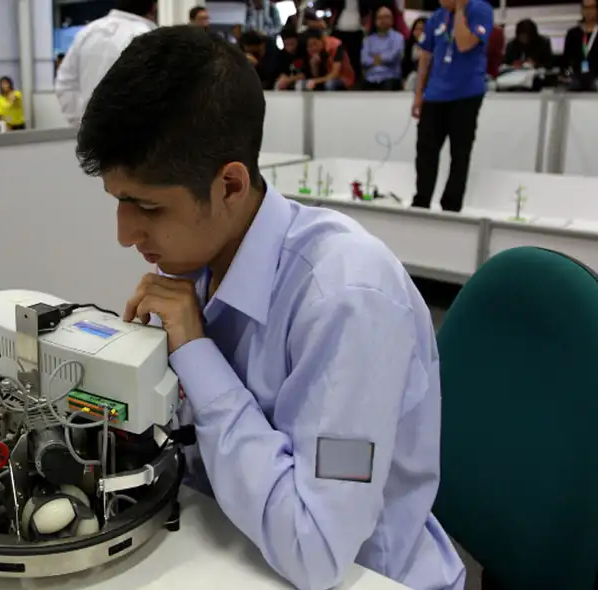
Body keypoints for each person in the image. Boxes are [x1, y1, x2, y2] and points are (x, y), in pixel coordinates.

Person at [76, 24, 465, 590]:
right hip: (238, 549)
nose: (124, 233)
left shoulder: (347, 303)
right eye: (118, 202)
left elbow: (316, 550)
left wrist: (196, 353)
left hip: (368, 577)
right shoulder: (203, 260)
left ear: (231, 185)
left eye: (147, 207)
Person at [412, 0, 493, 213]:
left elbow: (464, 43)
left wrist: (459, 11)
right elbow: (425, 56)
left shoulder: (480, 10)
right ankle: (421, 200)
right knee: (426, 150)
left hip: (466, 93)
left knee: (460, 152)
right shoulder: (435, 17)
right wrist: (419, 94)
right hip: (436, 94)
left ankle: (451, 204)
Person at [55, 0, 158, 124]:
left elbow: (64, 84)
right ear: (153, 8)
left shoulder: (87, 32)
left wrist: (82, 122)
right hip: (134, 133)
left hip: (90, 133)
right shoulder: (148, 37)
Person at [304, 11, 355, 89]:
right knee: (303, 85)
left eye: (315, 44)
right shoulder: (310, 50)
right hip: (323, 78)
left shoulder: (335, 45)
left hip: (342, 78)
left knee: (330, 84)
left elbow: (335, 74)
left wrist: (317, 81)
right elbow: (315, 75)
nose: (313, 48)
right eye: (310, 46)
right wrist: (314, 66)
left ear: (321, 40)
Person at [360, 6, 405, 90]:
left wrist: (374, 58)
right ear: (376, 20)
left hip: (390, 77)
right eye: (380, 17)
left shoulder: (398, 37)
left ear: (392, 20)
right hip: (371, 78)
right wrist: (382, 59)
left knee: (388, 85)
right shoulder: (368, 40)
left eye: (386, 17)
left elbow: (392, 57)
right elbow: (364, 60)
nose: (383, 20)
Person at [562, 0, 598, 91]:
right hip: (576, 78)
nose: (589, 11)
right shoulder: (573, 33)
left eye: (592, 7)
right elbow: (566, 59)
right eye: (586, 8)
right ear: (582, 10)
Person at [402, 17, 427, 83]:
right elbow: (406, 66)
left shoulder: (432, 49)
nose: (419, 32)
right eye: (416, 29)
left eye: (422, 29)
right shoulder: (409, 47)